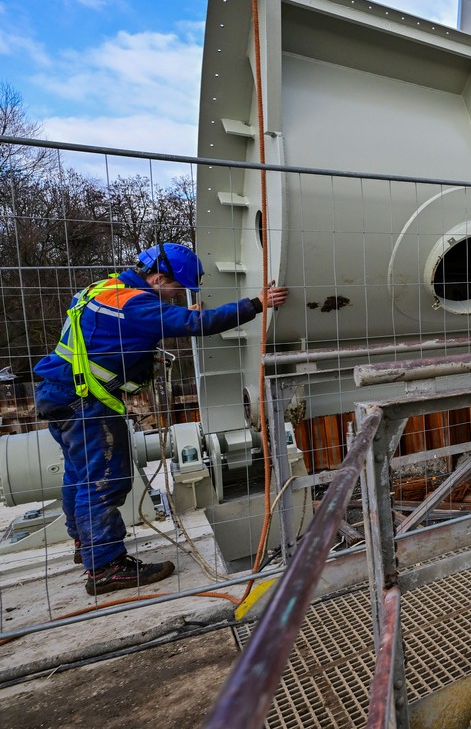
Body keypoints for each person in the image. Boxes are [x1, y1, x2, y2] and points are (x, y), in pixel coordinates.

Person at [33, 243, 289, 595]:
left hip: (60, 394)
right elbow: (197, 324)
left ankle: (87, 546)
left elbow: (115, 334)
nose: (176, 297)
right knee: (105, 480)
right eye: (176, 290)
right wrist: (257, 304)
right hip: (85, 403)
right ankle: (106, 567)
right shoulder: (137, 304)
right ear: (158, 277)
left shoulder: (105, 290)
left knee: (80, 476)